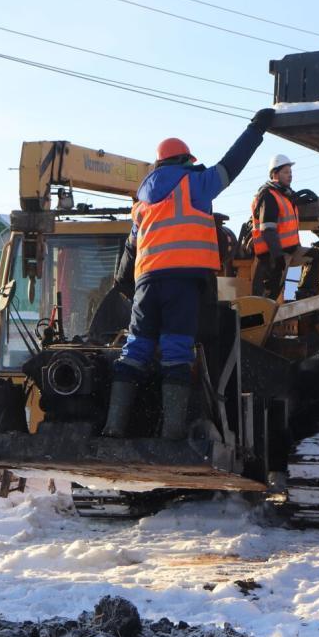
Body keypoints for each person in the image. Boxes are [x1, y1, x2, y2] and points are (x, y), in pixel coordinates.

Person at [102, 108, 277, 439]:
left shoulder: (141, 202)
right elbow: (232, 164)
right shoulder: (195, 184)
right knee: (176, 354)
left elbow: (129, 249)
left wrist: (124, 284)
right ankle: (172, 435)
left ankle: (114, 427)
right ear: (185, 159)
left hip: (147, 285)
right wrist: (257, 129)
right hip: (181, 284)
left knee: (135, 349)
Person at [251, 153, 301, 299]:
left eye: (291, 172)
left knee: (315, 257)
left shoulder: (286, 196)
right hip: (274, 253)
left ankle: (300, 295)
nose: (290, 175)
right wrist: (278, 256)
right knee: (271, 294)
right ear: (275, 174)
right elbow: (267, 229)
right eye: (286, 172)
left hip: (291, 250)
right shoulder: (269, 195)